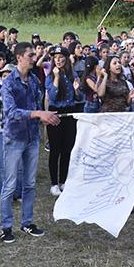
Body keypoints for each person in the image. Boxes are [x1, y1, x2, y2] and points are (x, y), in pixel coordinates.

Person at [0, 43, 60, 243]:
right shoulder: (9, 82)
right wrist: (38, 113)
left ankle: (27, 222)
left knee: (30, 184)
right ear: (19, 57)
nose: (35, 58)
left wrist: (43, 118)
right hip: (14, 139)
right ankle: (6, 227)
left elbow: (36, 106)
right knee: (9, 185)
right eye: (31, 55)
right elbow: (11, 112)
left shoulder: (34, 80)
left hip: (32, 138)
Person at [44, 46, 78, 196]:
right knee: (55, 149)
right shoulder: (50, 76)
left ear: (66, 58)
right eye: (55, 57)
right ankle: (54, 183)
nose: (58, 60)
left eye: (61, 57)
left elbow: (78, 97)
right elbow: (52, 96)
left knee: (67, 148)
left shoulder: (72, 74)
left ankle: (64, 180)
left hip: (70, 113)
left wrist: (77, 90)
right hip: (55, 112)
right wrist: (57, 78)